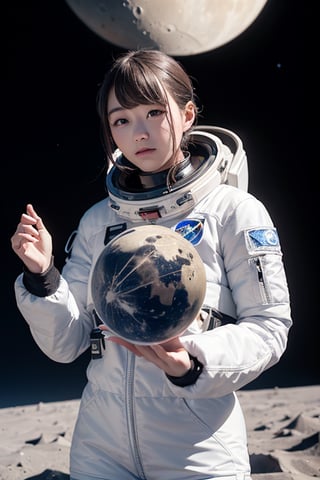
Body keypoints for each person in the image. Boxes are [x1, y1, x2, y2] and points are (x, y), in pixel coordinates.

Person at [11, 49, 292, 480]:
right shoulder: (99, 221)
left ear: (187, 114)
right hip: (101, 449)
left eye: (154, 112)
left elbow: (269, 326)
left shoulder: (234, 212)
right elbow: (66, 344)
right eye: (121, 120)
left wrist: (195, 362)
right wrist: (43, 277)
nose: (138, 132)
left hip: (198, 448)